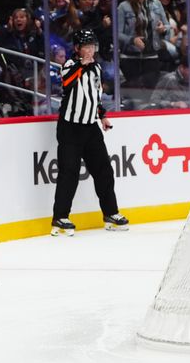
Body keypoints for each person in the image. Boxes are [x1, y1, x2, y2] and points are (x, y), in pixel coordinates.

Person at [51, 29, 128, 237]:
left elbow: (95, 96)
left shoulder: (96, 68)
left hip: (90, 127)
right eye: (86, 46)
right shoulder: (69, 65)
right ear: (77, 49)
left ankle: (111, 213)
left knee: (103, 170)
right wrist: (80, 65)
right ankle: (60, 218)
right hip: (70, 127)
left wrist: (102, 115)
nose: (90, 50)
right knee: (69, 172)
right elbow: (66, 84)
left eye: (92, 46)